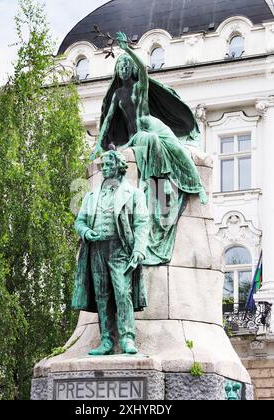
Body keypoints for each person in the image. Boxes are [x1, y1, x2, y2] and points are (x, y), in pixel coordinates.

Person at [90, 32, 208, 265]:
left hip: (155, 127)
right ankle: (159, 187)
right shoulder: (117, 95)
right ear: (116, 71)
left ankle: (197, 187)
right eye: (120, 65)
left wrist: (128, 50)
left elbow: (144, 70)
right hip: (140, 136)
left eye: (126, 65)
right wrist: (97, 146)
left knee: (177, 151)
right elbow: (106, 122)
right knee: (151, 144)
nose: (123, 68)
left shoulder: (138, 88)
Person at [72, 149, 149, 355]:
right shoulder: (91, 196)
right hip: (97, 249)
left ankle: (127, 338)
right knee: (102, 296)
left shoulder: (134, 194)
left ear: (119, 166)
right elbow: (79, 222)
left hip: (120, 248)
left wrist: (139, 249)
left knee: (123, 293)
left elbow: (142, 223)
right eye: (102, 165)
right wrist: (86, 231)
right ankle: (106, 340)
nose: (104, 169)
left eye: (108, 165)